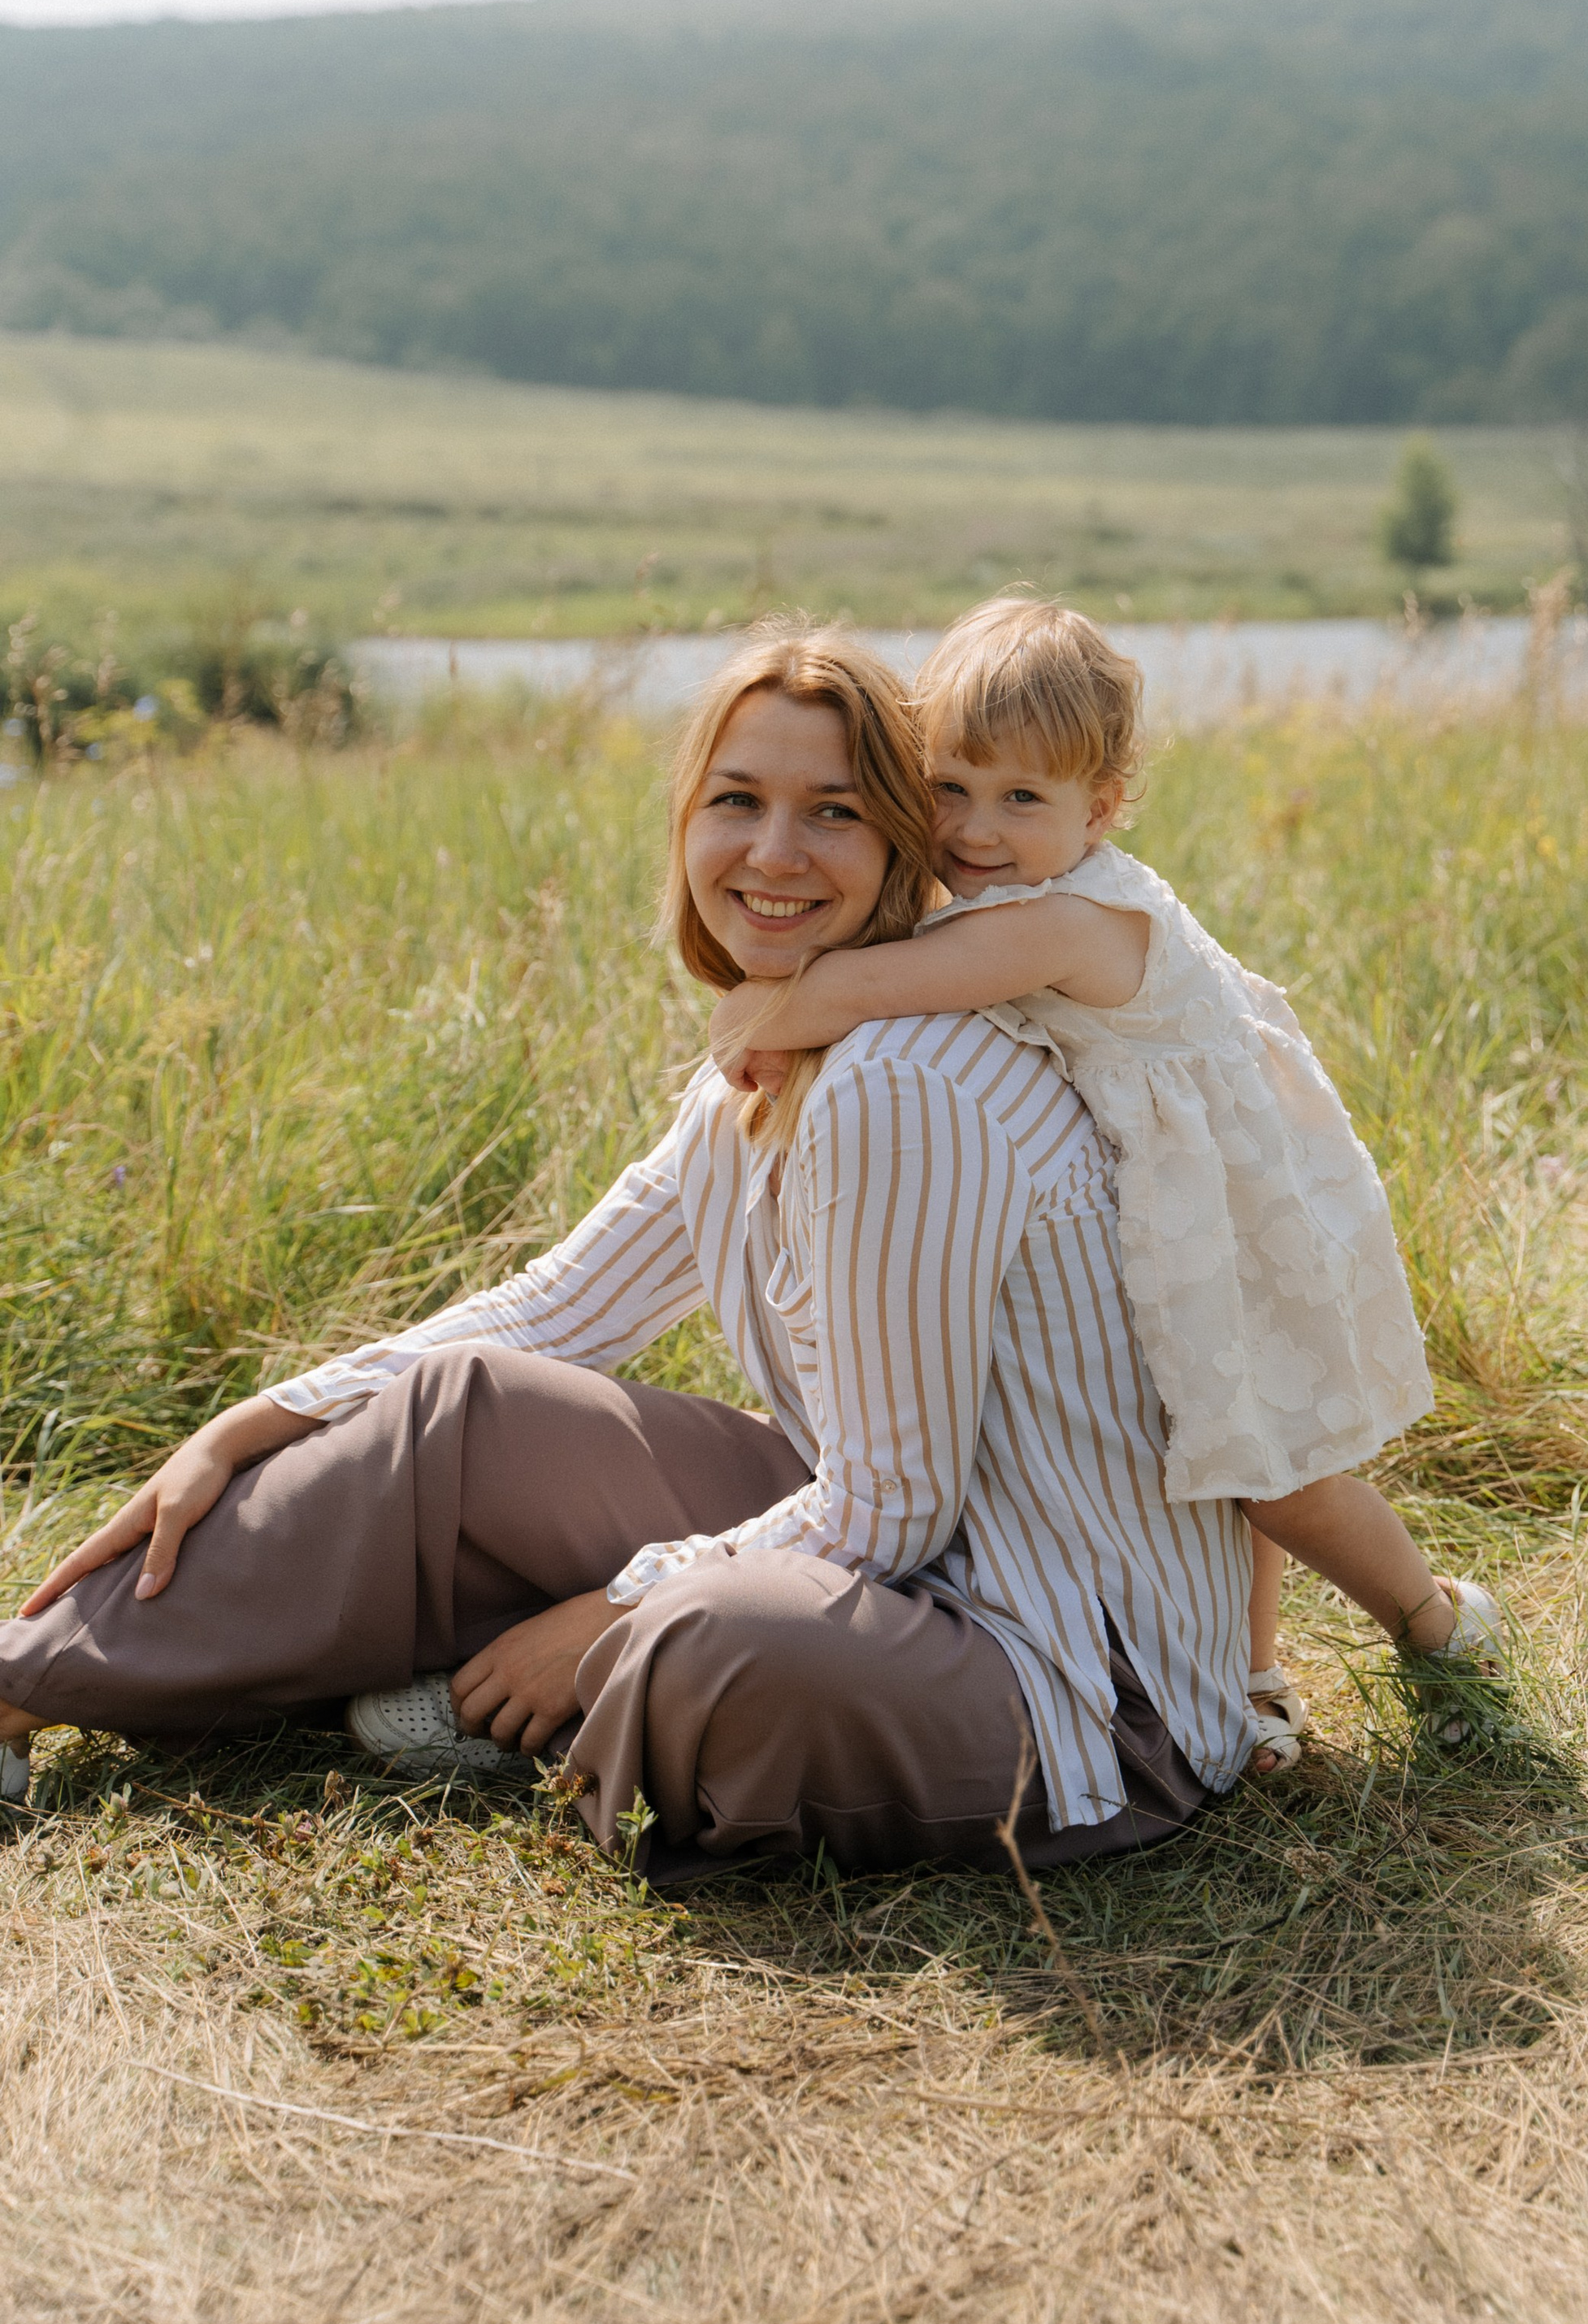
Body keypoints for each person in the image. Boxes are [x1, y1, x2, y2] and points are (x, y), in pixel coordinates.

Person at [0, 628, 1256, 1881]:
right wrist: (254, 1418)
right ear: (687, 822)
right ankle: (22, 1683)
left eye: (832, 811)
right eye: (737, 802)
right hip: (908, 1561)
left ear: (902, 844)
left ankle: (552, 1681)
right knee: (464, 1412)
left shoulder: (906, 1082)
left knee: (708, 1638)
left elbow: (894, 1505)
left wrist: (612, 1607)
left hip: (1070, 1677)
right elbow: (555, 1310)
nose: (773, 854)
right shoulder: (767, 1068)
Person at [710, 596, 1503, 1773]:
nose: (977, 831)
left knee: (1274, 1478)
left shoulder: (1071, 918)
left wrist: (760, 1013)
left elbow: (886, 983)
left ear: (1104, 807)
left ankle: (1435, 1626)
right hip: (1158, 1202)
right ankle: (1250, 1675)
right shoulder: (1012, 887)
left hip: (1224, 1216)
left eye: (1022, 799)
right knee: (1214, 1462)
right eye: (950, 789)